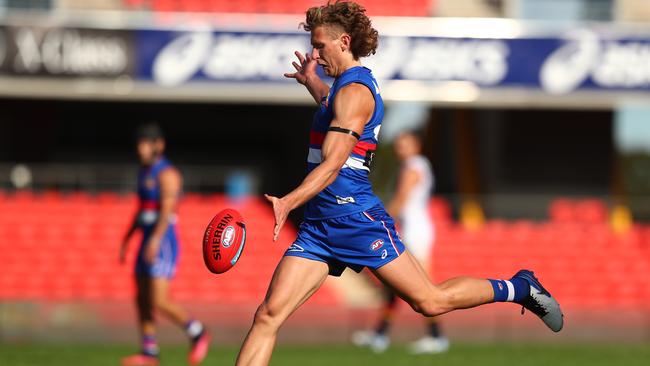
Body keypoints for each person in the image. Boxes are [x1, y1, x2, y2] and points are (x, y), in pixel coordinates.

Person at [236, 2, 563, 365]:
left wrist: (288, 201)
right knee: (268, 315)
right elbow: (334, 110)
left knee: (431, 301)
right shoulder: (342, 90)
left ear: (343, 42)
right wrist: (312, 81)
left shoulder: (355, 92)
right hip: (320, 227)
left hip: (356, 220)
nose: (315, 53)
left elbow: (332, 164)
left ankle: (519, 288)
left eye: (320, 46)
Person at [119, 124, 210, 366]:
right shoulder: (143, 172)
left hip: (162, 241)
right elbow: (141, 211)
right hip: (146, 239)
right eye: (139, 144)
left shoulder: (167, 174)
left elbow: (167, 212)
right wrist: (127, 239)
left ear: (158, 145)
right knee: (141, 298)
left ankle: (198, 331)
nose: (140, 149)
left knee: (159, 299)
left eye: (145, 144)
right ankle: (149, 352)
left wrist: (156, 240)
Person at [352, 131, 449, 354]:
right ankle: (381, 334)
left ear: (416, 145)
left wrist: (380, 220)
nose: (399, 148)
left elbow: (402, 197)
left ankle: (436, 336)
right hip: (413, 229)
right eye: (398, 144)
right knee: (396, 285)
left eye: (404, 144)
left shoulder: (413, 165)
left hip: (416, 230)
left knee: (422, 285)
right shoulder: (417, 164)